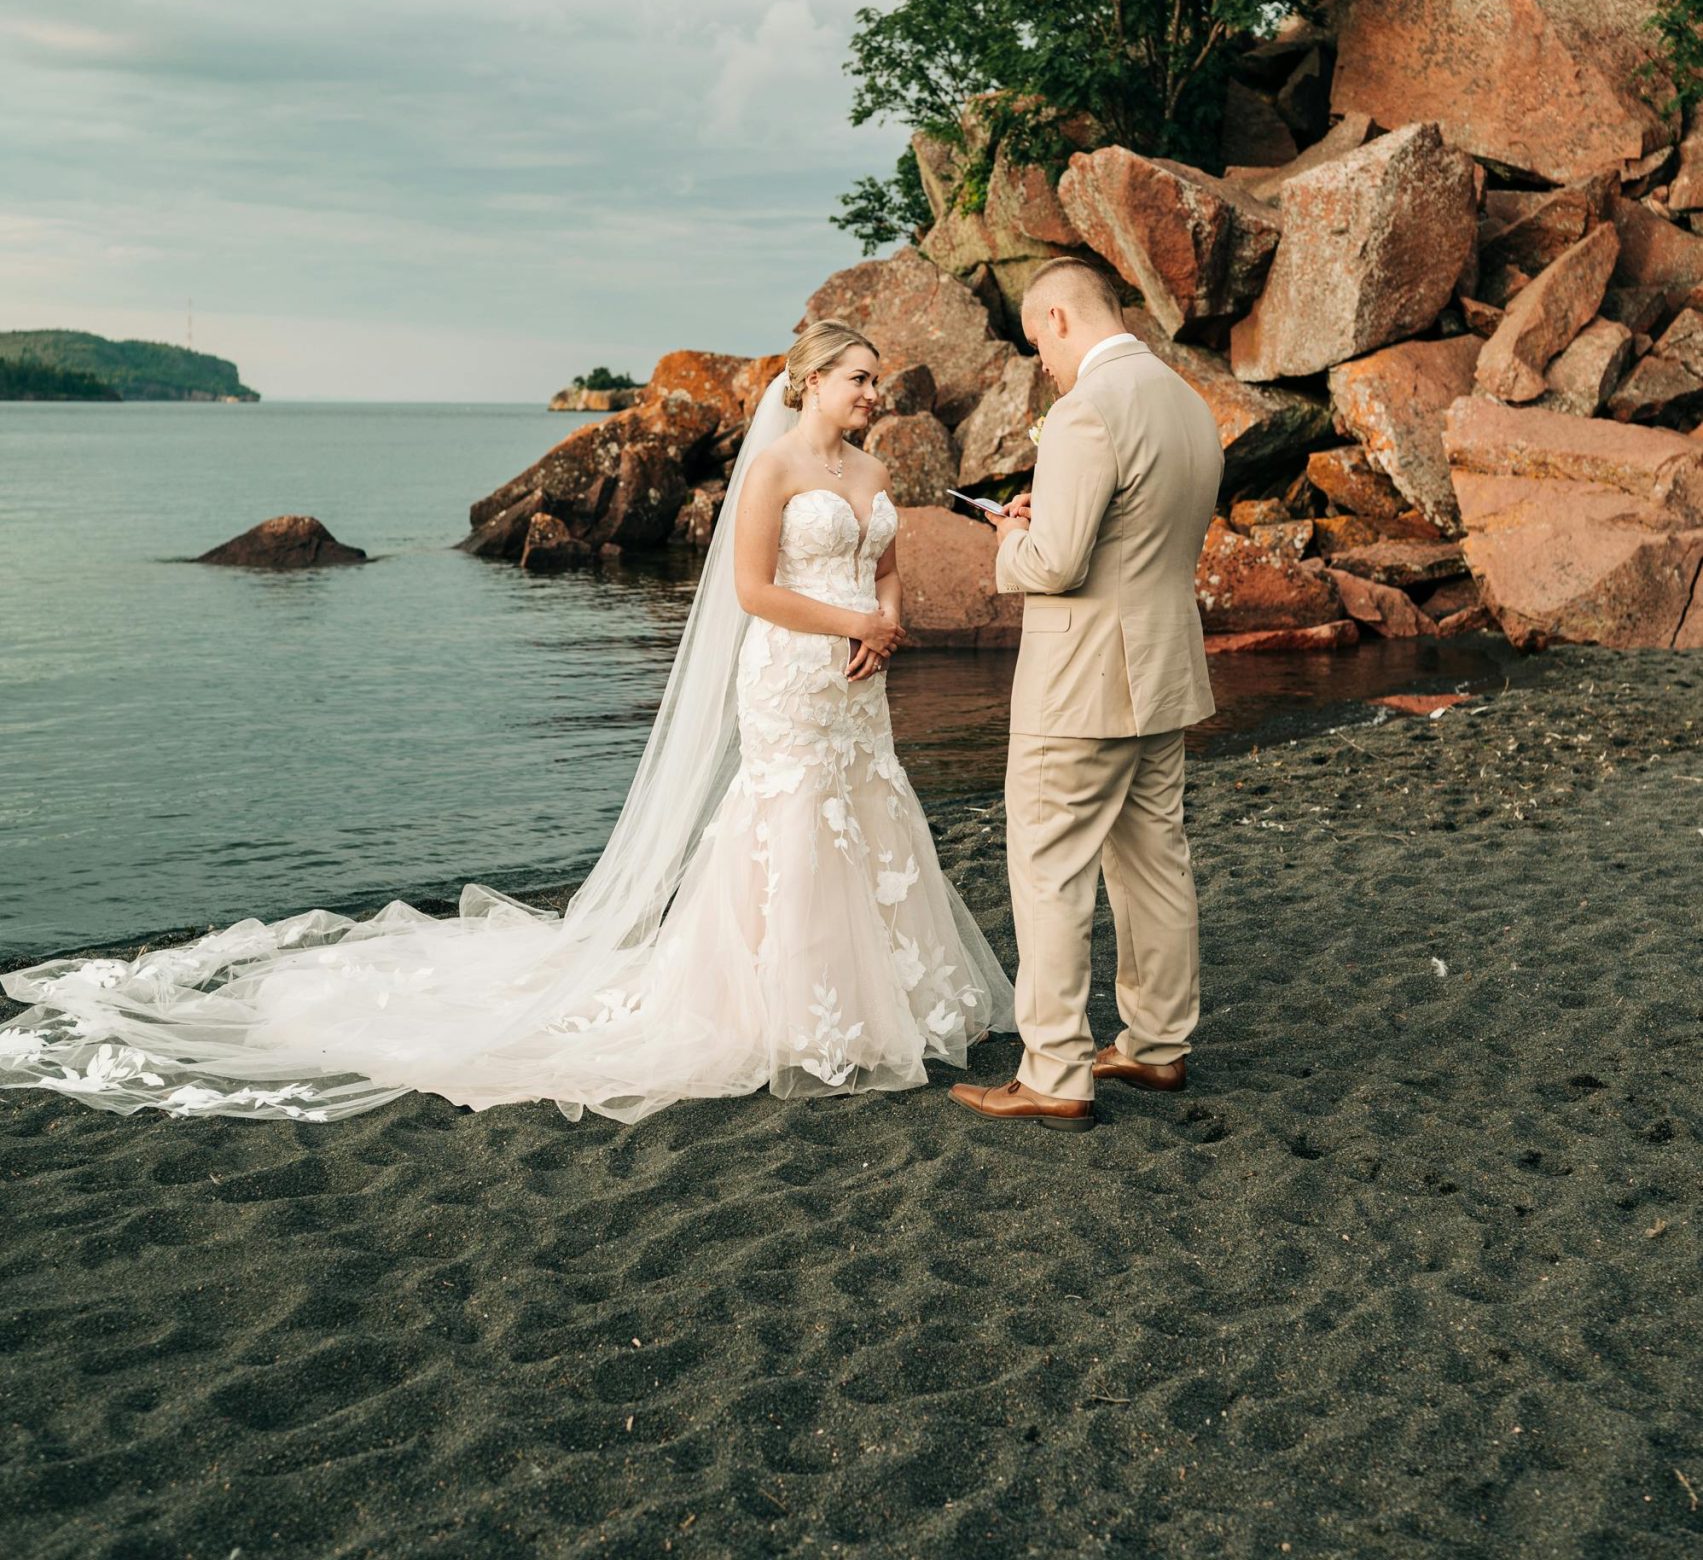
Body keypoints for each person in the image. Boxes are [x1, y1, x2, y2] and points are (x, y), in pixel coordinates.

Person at [0, 323, 1012, 1124]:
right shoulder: (775, 472)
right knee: (788, 818)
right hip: (792, 671)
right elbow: (750, 587)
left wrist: (886, 625)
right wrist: (846, 621)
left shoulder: (873, 477)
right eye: (856, 379)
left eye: (875, 381)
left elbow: (885, 564)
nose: (872, 395)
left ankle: (885, 993)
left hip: (856, 677)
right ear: (807, 383)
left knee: (868, 811)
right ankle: (789, 1009)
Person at [950, 260, 1222, 1131]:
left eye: (1039, 343)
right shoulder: (1186, 403)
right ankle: (1155, 1045)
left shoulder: (1084, 410)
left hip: (1078, 688)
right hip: (1163, 670)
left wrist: (1008, 537)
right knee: (1154, 862)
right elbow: (1139, 539)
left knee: (1050, 871)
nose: (1045, 365)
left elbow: (1057, 565)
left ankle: (1055, 1072)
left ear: (1061, 318)